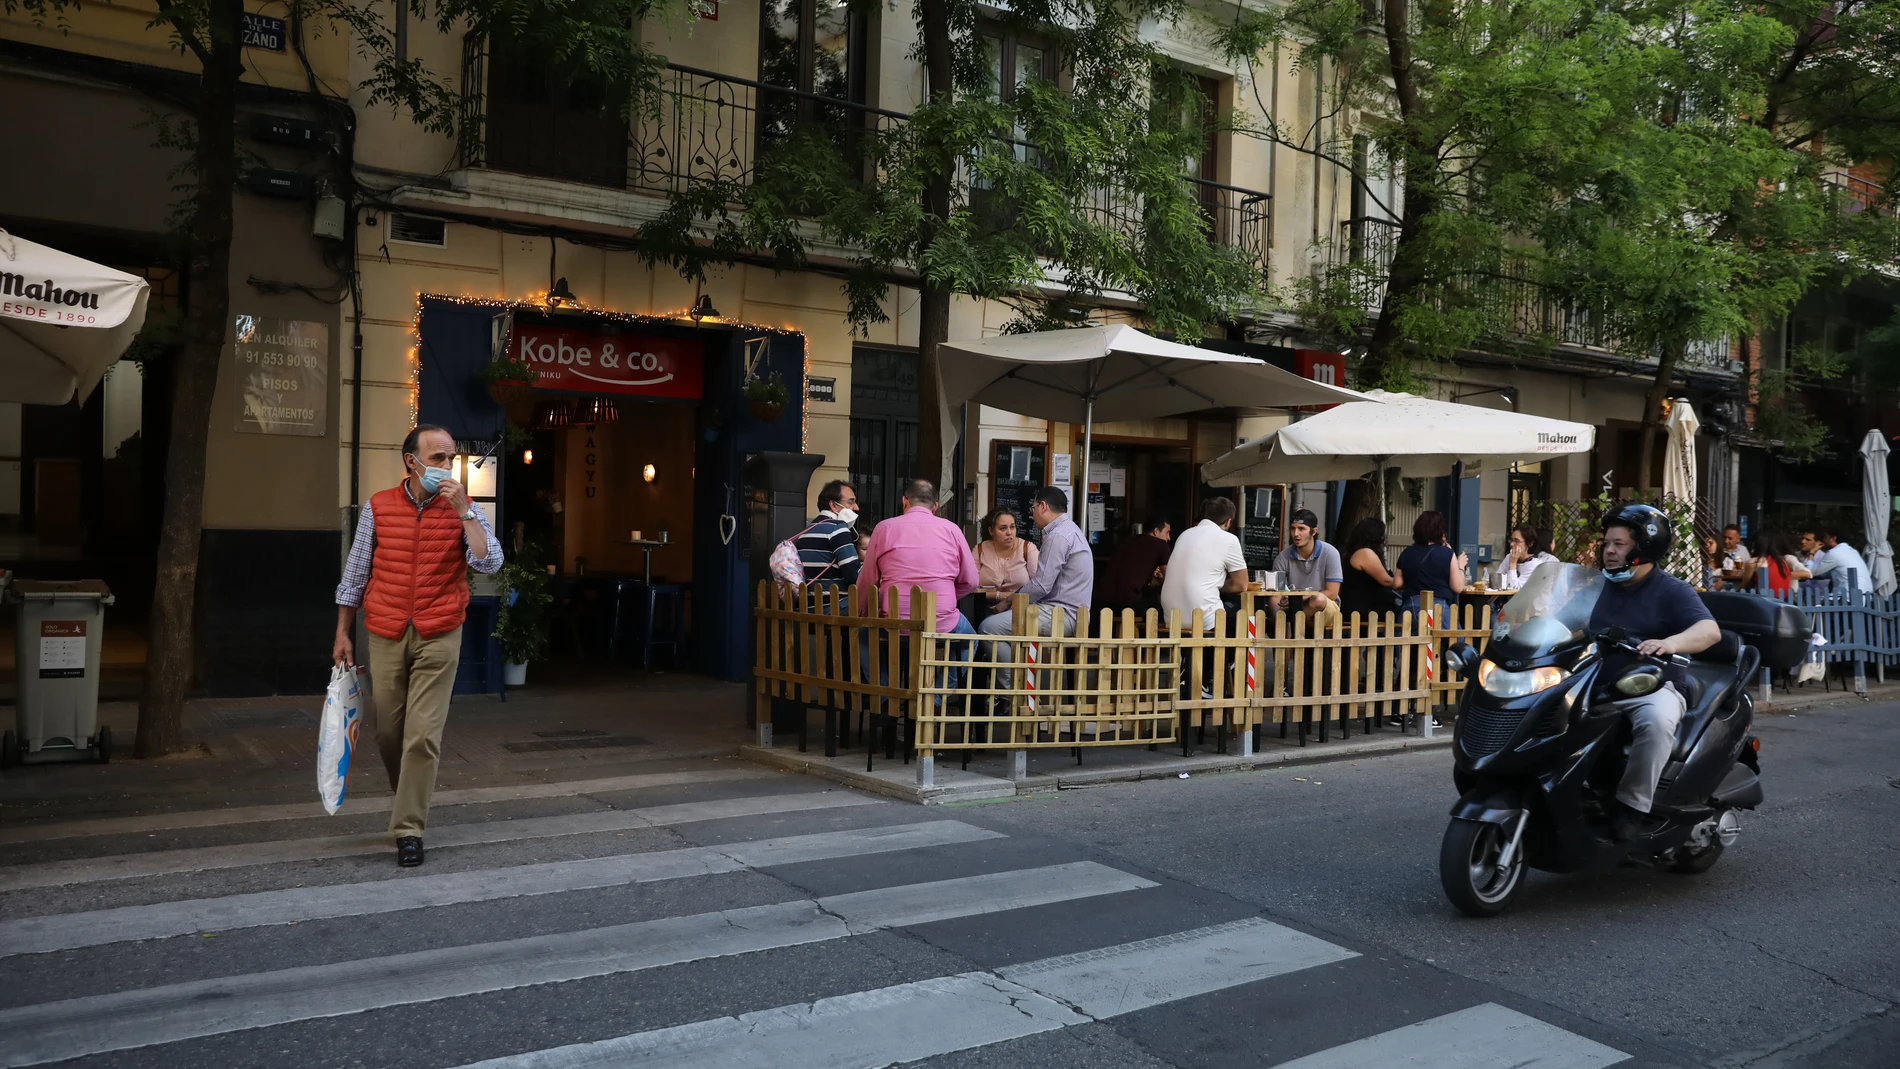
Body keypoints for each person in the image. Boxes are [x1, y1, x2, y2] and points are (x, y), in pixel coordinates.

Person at [333, 424, 504, 868]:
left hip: (440, 629)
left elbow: (489, 561)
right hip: (386, 629)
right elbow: (355, 572)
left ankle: (409, 829)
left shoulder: (461, 506)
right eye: (439, 458)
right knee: (390, 735)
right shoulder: (379, 506)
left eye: (451, 458)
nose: (447, 466)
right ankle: (410, 797)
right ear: (412, 461)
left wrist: (465, 511)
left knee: (422, 736)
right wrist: (342, 631)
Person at [1587, 503, 1721, 841]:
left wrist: (1670, 643)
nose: (1609, 551)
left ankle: (1631, 806)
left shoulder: (1672, 591)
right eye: (1607, 543)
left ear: (1643, 547)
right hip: (1590, 679)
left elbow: (1709, 631)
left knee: (1656, 721)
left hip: (1648, 684)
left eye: (1619, 544)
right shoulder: (1591, 585)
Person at [980, 486, 1093, 666]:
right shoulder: (1071, 530)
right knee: (1002, 626)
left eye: (1033, 509)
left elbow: (1041, 585)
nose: (1032, 515)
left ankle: (1011, 689)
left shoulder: (1058, 536)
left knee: (988, 628)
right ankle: (1020, 684)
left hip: (1060, 614)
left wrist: (1008, 601)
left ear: (1043, 506)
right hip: (1071, 613)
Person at [1396, 510, 1468, 615]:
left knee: (1412, 632)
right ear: (1440, 531)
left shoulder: (1407, 552)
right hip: (1437, 609)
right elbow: (1458, 587)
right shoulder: (1447, 553)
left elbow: (1397, 584)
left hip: (1411, 609)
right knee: (1455, 631)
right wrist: (1460, 565)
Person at [1099, 515, 1173, 614]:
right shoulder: (1161, 545)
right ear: (1156, 531)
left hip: (1101, 602)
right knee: (1161, 612)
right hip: (1126, 603)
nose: (1169, 538)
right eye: (1167, 532)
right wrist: (1160, 579)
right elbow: (1169, 580)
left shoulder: (1127, 541)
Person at [794, 479, 862, 586]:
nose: (856, 507)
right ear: (834, 505)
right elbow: (854, 575)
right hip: (837, 601)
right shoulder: (838, 529)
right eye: (850, 501)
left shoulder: (806, 531)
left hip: (808, 601)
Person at [974, 507, 1040, 614]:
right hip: (984, 610)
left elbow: (1038, 585)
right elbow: (970, 588)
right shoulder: (980, 550)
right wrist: (999, 596)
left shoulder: (1027, 548)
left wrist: (1010, 599)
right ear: (991, 531)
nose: (1009, 533)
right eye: (1003, 528)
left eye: (1012, 527)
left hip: (1019, 611)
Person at [1340, 517, 1404, 620]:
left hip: (1357, 607)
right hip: (1365, 608)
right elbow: (1386, 580)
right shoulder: (1365, 553)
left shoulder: (1354, 553)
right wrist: (1403, 581)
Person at [1805, 524, 1872, 596]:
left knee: (1815, 604)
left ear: (1833, 539)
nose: (1820, 541)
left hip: (1848, 597)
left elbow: (1809, 573)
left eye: (1823, 538)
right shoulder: (1851, 551)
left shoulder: (1834, 553)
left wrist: (1811, 553)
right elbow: (1825, 574)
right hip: (1864, 596)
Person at [1494, 526, 1559, 591]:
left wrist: (1512, 564)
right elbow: (1496, 580)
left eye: (1517, 541)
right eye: (1511, 540)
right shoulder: (1509, 557)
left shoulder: (1534, 564)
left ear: (1530, 543)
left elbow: (1514, 589)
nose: (1512, 544)